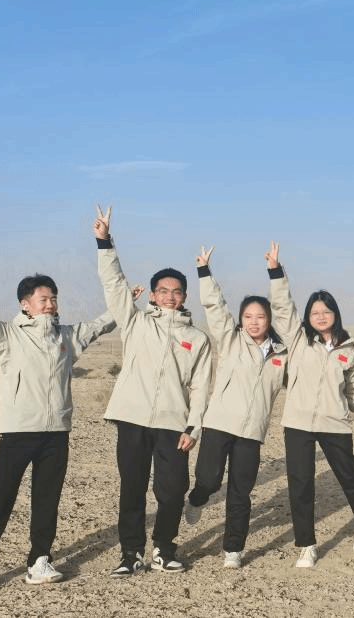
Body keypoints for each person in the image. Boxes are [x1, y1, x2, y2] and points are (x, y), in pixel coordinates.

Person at [0, 240, 116, 600]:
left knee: (47, 501)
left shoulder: (67, 337)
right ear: (25, 303)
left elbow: (101, 324)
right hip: (18, 433)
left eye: (54, 299)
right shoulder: (8, 335)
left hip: (56, 434)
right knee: (0, 500)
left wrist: (126, 301)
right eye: (43, 299)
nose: (50, 304)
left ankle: (39, 562)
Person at [94, 204, 212, 577]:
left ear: (185, 296)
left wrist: (194, 427)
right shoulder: (136, 323)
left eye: (176, 292)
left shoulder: (197, 338)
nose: (170, 296)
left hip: (173, 424)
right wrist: (104, 243)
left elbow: (201, 385)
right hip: (132, 418)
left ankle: (164, 549)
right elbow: (114, 286)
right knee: (132, 489)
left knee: (173, 489)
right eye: (163, 291)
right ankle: (130, 553)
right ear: (153, 294)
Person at [268, 246, 354, 569]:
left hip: (334, 423)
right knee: (300, 484)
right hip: (298, 423)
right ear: (308, 317)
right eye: (314, 312)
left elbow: (352, 387)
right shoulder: (298, 339)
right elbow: (283, 307)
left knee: (349, 476)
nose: (320, 316)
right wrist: (276, 272)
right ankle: (306, 545)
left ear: (334, 314)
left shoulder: (347, 350)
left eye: (326, 311)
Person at [182, 243, 289, 569]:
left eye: (261, 317)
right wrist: (204, 272)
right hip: (219, 423)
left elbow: (286, 309)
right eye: (248, 317)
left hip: (252, 431)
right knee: (209, 479)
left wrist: (276, 272)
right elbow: (215, 307)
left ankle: (233, 549)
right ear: (241, 319)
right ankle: (197, 498)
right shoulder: (231, 339)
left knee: (241, 492)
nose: (254, 322)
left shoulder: (281, 354)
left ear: (269, 319)